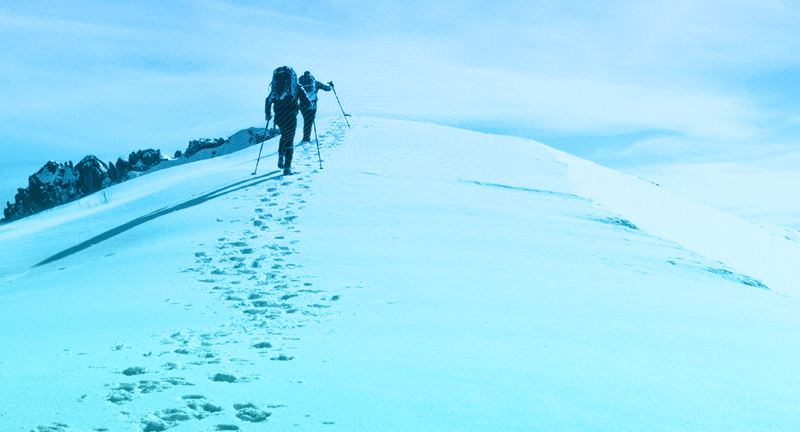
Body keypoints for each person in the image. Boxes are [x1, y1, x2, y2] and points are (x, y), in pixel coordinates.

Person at [265, 66, 300, 175]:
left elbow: (268, 101)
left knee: (284, 136)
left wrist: (268, 114)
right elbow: (306, 100)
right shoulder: (295, 86)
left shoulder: (276, 88)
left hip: (279, 118)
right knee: (290, 140)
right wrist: (311, 106)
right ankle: (287, 167)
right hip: (291, 117)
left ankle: (281, 155)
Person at [298, 71, 333, 143]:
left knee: (306, 120)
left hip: (302, 104)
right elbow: (327, 88)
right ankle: (306, 139)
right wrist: (331, 86)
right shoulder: (315, 83)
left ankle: (305, 138)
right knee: (310, 121)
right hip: (313, 103)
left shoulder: (300, 84)